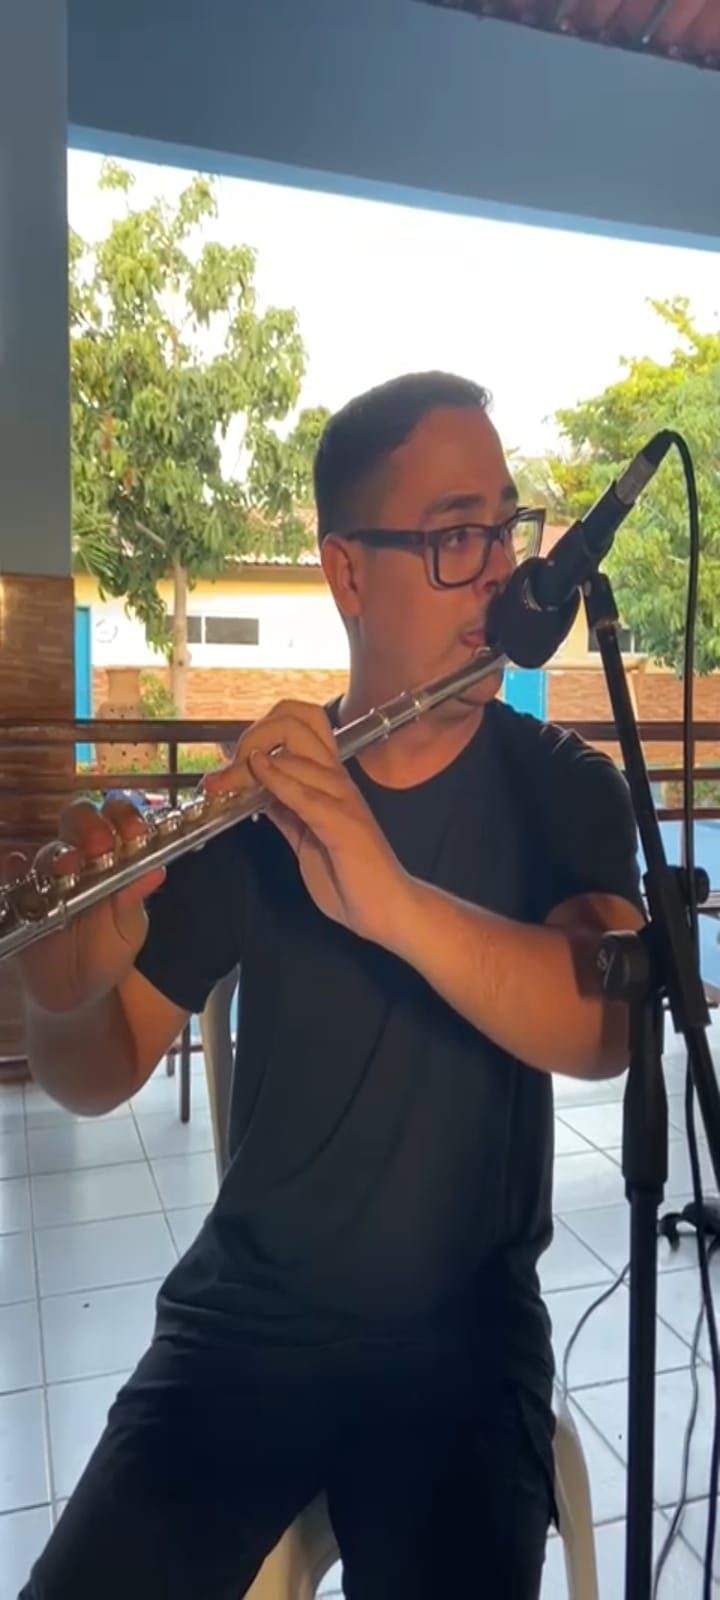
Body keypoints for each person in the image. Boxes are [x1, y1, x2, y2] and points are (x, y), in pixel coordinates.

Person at [17, 372, 644, 1600]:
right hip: (241, 1325)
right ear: (347, 571)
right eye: (456, 537)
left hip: (465, 1339)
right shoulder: (263, 799)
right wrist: (60, 992)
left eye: (505, 528)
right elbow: (98, 1069)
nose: (503, 575)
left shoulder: (562, 785)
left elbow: (610, 1023)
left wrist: (390, 898)